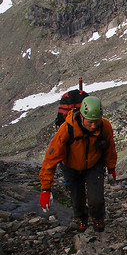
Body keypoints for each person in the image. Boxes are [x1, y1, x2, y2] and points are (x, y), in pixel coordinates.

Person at [39, 96, 117, 233]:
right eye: (90, 122)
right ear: (81, 116)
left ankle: (98, 217)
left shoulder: (105, 127)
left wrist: (111, 168)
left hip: (94, 164)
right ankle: (81, 217)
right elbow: (50, 159)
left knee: (96, 199)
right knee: (77, 198)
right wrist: (46, 188)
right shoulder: (67, 129)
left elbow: (110, 149)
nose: (93, 126)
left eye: (96, 122)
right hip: (71, 167)